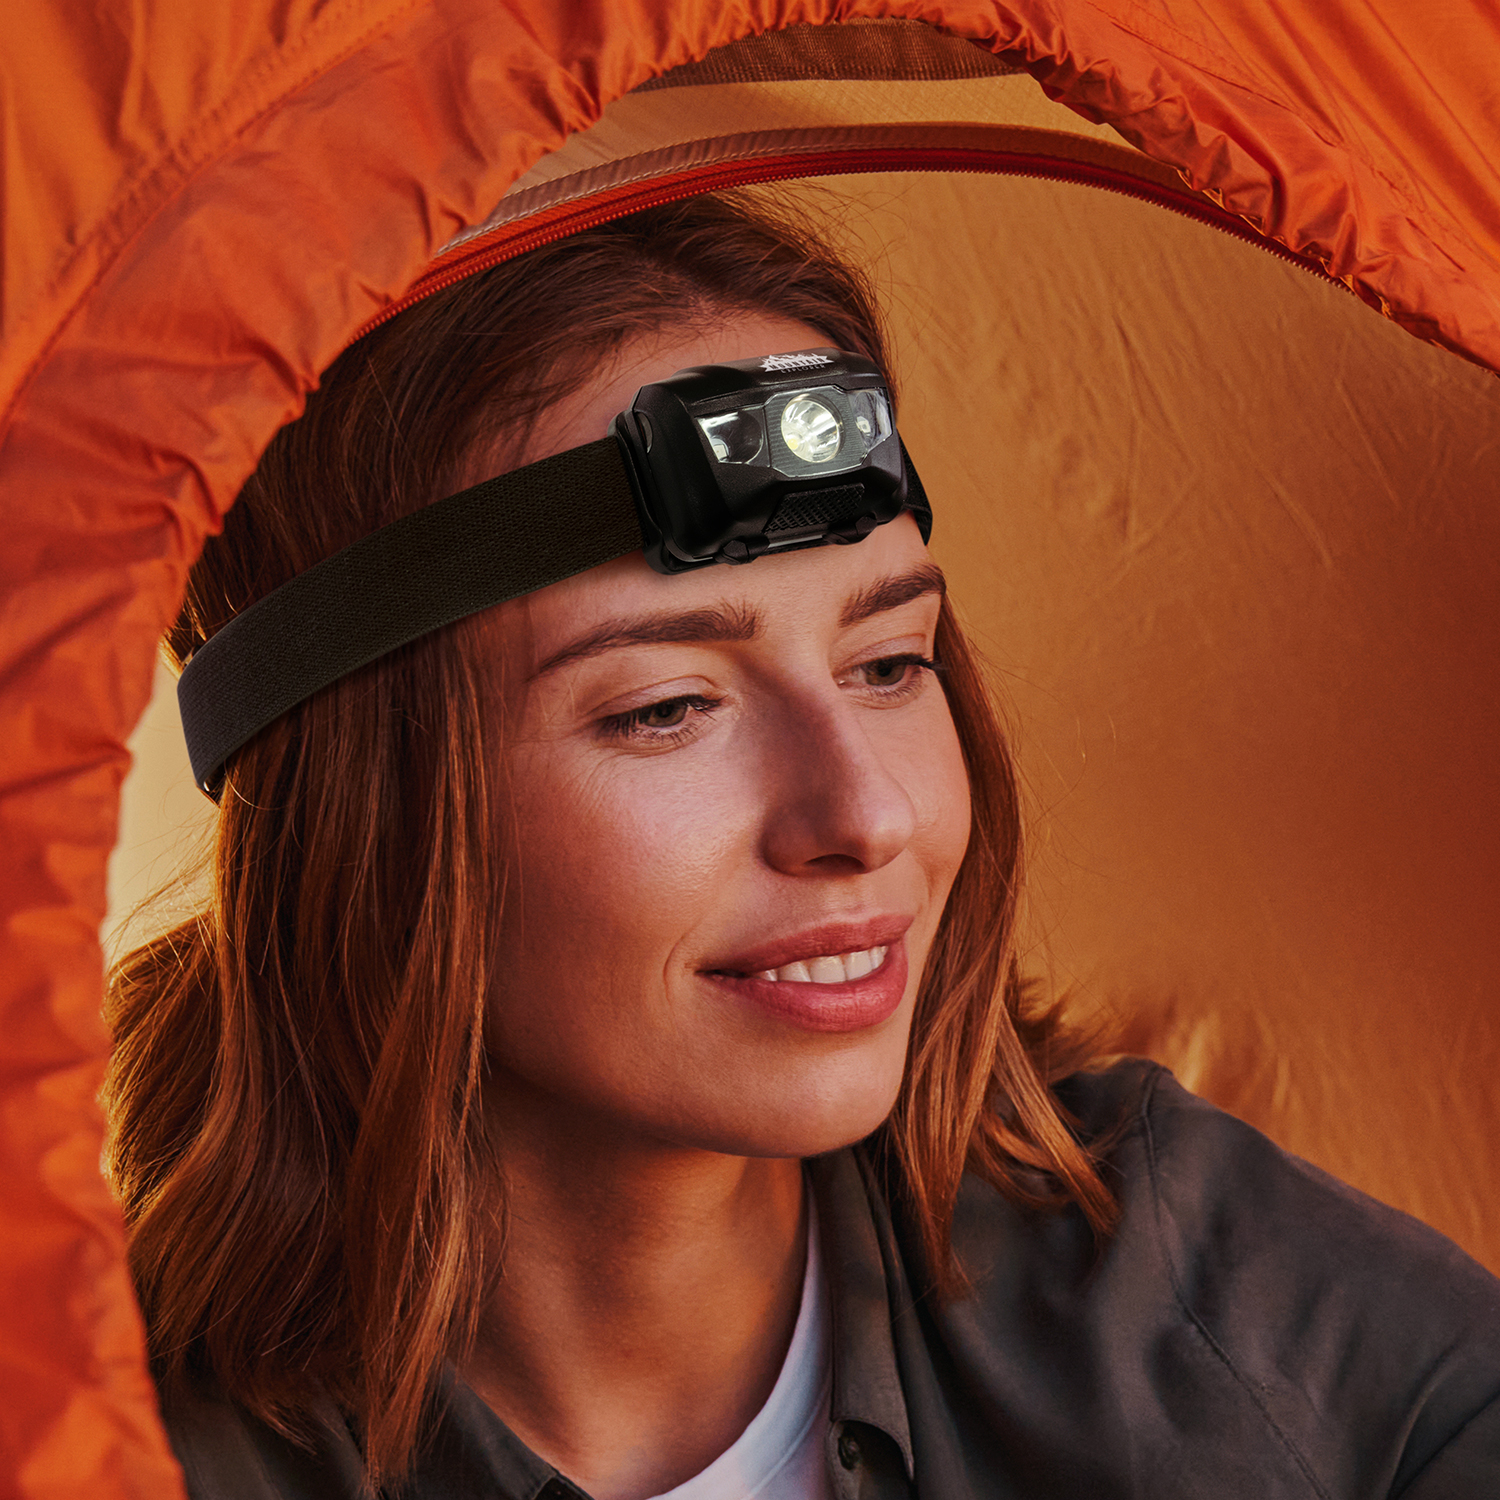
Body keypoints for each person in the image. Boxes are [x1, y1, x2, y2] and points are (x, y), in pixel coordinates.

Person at [104, 193, 1500, 1500]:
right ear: (357, 814)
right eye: (667, 708)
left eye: (890, 663)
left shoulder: (1179, 1279)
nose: (864, 815)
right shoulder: (93, 1439)